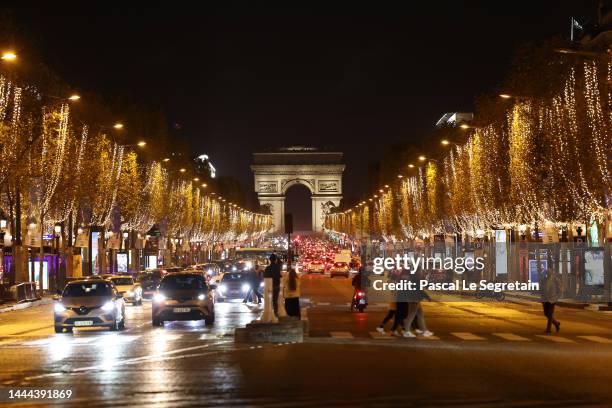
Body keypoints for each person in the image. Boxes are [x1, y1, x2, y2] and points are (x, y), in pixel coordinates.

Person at [541, 266, 561, 334]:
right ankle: (556, 323)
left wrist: (556, 297)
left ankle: (548, 330)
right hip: (545, 299)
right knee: (546, 314)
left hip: (552, 299)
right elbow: (542, 290)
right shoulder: (544, 280)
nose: (548, 274)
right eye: (547, 273)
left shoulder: (555, 280)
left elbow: (559, 290)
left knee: (549, 314)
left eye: (549, 273)